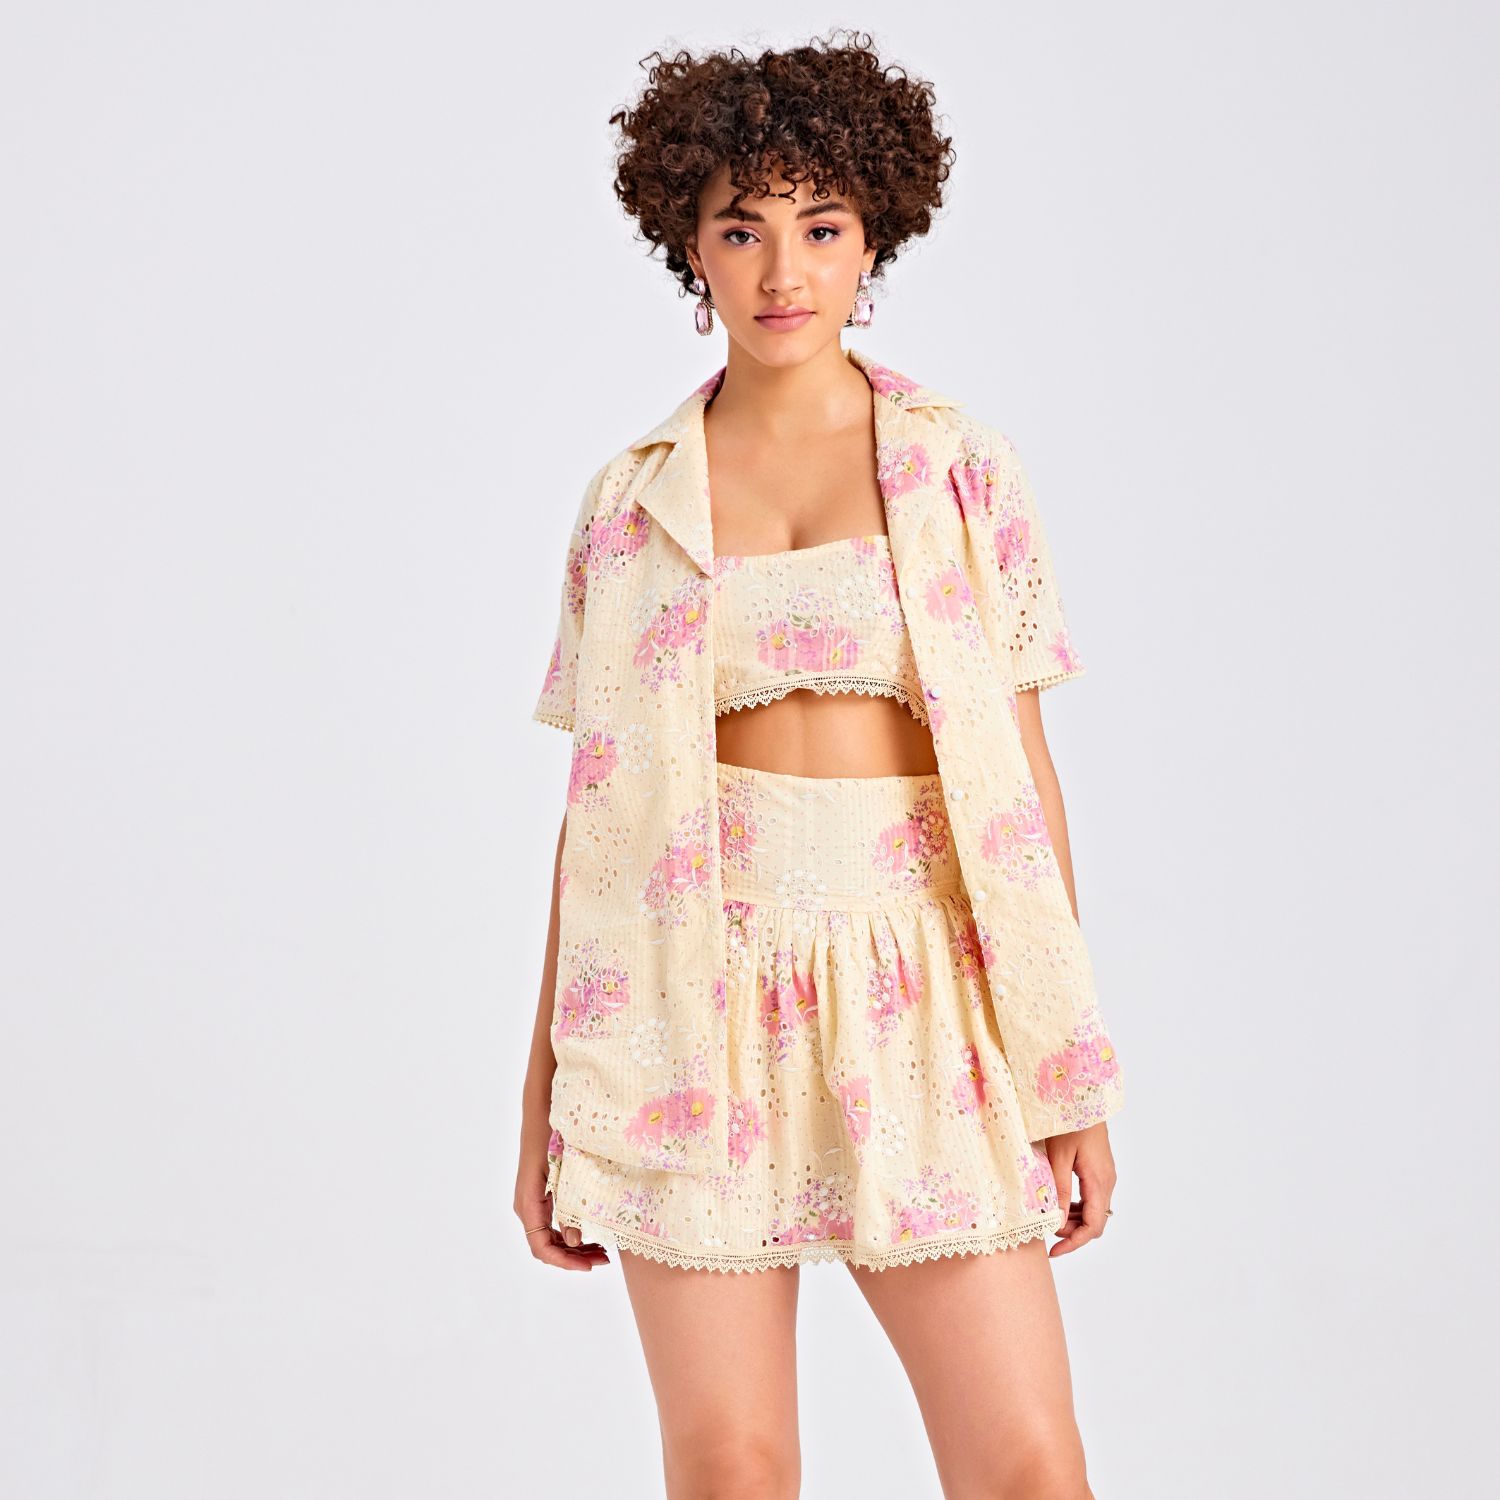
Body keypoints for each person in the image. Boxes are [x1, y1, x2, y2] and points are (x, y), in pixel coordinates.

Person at [515, 30, 1124, 1500]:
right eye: (743, 230)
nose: (783, 271)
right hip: (682, 999)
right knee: (730, 1468)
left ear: (873, 241)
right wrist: (545, 1099)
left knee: (1026, 1467)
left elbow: (1024, 789)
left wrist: (1067, 1070)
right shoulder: (629, 506)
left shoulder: (960, 470)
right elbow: (599, 830)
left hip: (928, 986)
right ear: (691, 246)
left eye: (823, 228)